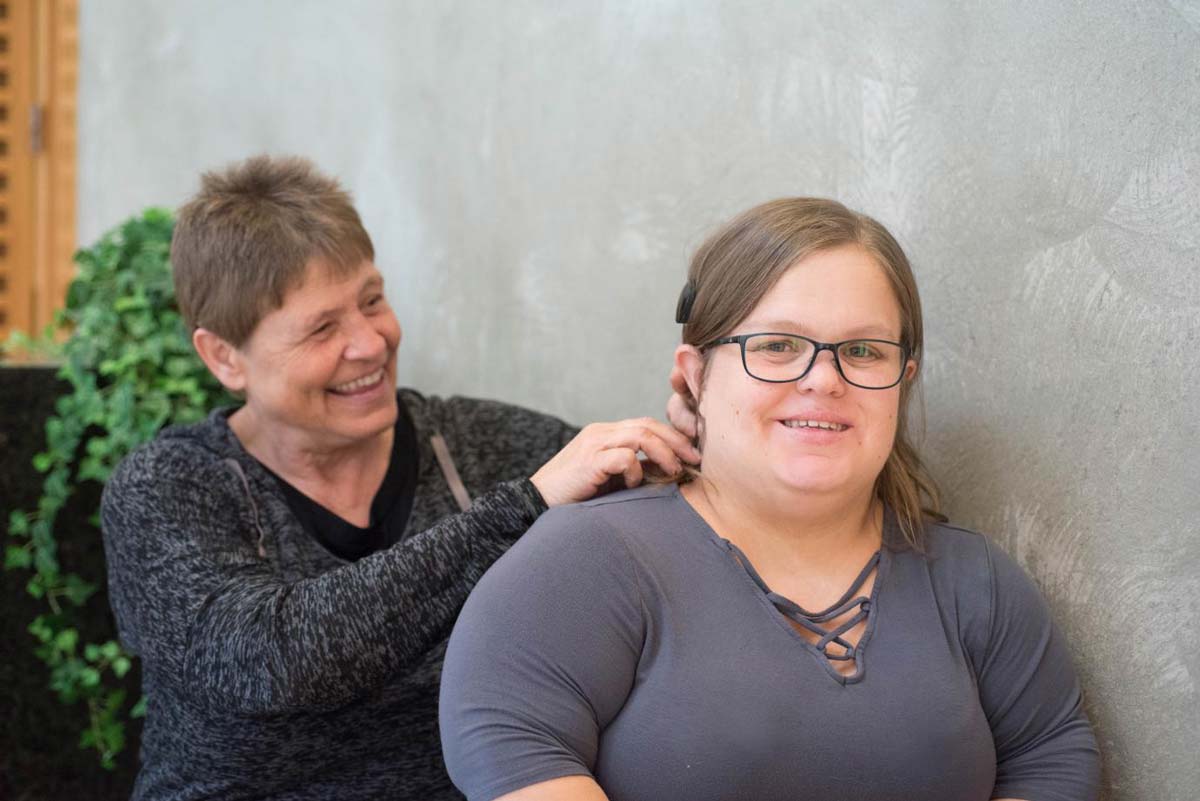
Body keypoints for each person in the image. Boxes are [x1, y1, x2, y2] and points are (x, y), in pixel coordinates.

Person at [439, 198, 1102, 801]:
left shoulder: (976, 583)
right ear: (694, 375)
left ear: (903, 379)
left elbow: (1050, 758)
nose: (823, 378)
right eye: (777, 346)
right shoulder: (578, 568)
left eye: (862, 350)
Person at [99, 155, 698, 801]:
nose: (370, 343)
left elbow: (678, 525)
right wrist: (523, 505)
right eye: (323, 327)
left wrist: (706, 432)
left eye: (372, 301)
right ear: (224, 356)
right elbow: (270, 661)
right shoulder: (169, 487)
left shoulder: (484, 448)